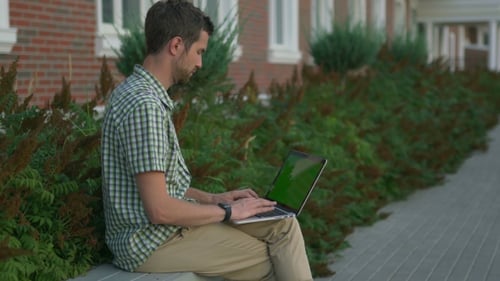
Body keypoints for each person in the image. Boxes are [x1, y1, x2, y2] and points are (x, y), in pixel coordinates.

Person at [100, 1, 313, 280]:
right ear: (176, 46)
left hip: (163, 232)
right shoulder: (144, 105)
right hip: (151, 242)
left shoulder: (138, 93)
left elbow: (165, 188)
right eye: (199, 51)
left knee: (283, 225)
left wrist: (213, 198)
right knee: (272, 255)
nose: (200, 62)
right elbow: (159, 209)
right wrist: (227, 210)